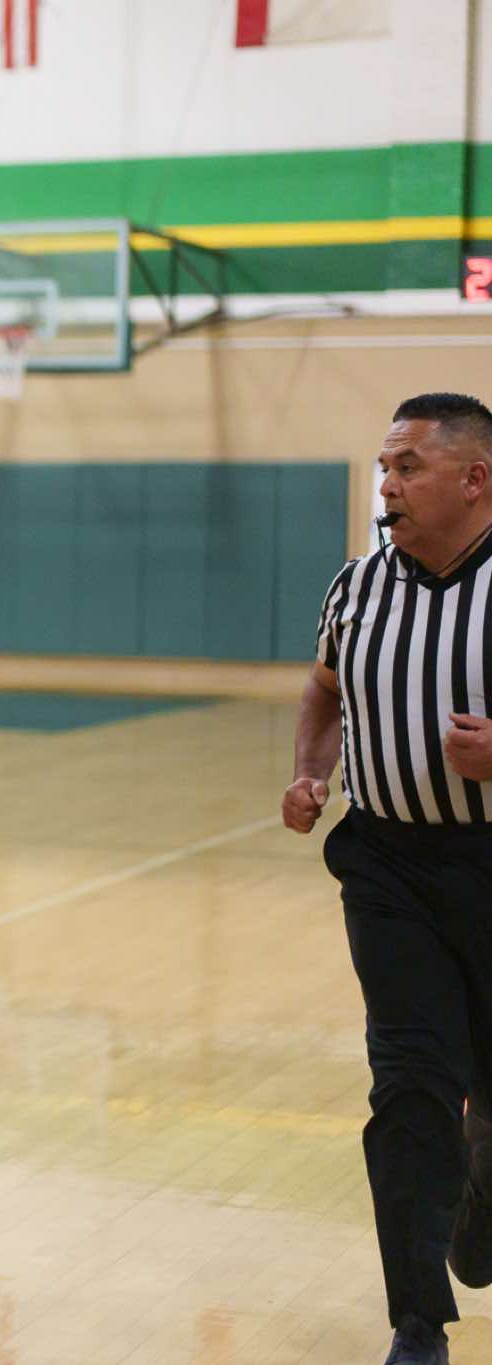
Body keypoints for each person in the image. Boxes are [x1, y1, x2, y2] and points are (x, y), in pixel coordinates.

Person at [288, 392, 492, 1365]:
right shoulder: (356, 586)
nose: (386, 485)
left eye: (407, 466)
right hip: (388, 869)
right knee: (409, 1086)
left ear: (474, 478)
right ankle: (417, 1323)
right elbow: (325, 687)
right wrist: (309, 770)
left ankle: (481, 1182)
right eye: (384, 466)